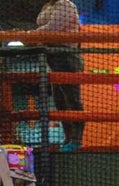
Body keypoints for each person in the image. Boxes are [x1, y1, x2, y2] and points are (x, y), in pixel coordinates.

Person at [35, 0, 84, 152]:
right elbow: (45, 27)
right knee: (60, 101)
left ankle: (76, 140)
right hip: (52, 55)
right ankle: (68, 138)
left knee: (71, 98)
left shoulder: (65, 5)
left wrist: (31, 35)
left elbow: (53, 27)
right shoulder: (48, 5)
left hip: (65, 55)